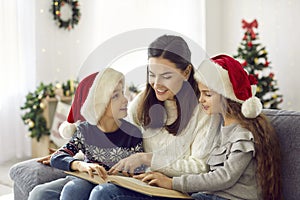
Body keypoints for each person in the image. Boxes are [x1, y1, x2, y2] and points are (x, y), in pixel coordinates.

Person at [132, 54, 283, 200]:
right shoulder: (220, 127)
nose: (201, 99)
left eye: (207, 94)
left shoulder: (243, 134)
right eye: (201, 93)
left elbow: (225, 177)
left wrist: (172, 183)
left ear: (226, 97)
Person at [88, 35, 219, 199]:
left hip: (174, 190)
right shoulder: (142, 103)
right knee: (72, 190)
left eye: (166, 76)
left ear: (186, 72)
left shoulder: (203, 110)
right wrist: (75, 155)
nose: (156, 84)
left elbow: (201, 167)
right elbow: (120, 140)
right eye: (152, 74)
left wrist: (147, 159)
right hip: (143, 182)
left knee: (103, 194)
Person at [28, 68, 144, 200]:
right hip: (86, 179)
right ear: (100, 102)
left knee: (75, 190)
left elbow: (140, 170)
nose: (125, 100)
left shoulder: (133, 133)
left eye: (122, 93)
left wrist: (128, 171)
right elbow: (58, 157)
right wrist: (81, 165)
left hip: (113, 186)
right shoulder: (85, 130)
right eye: (116, 96)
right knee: (39, 193)